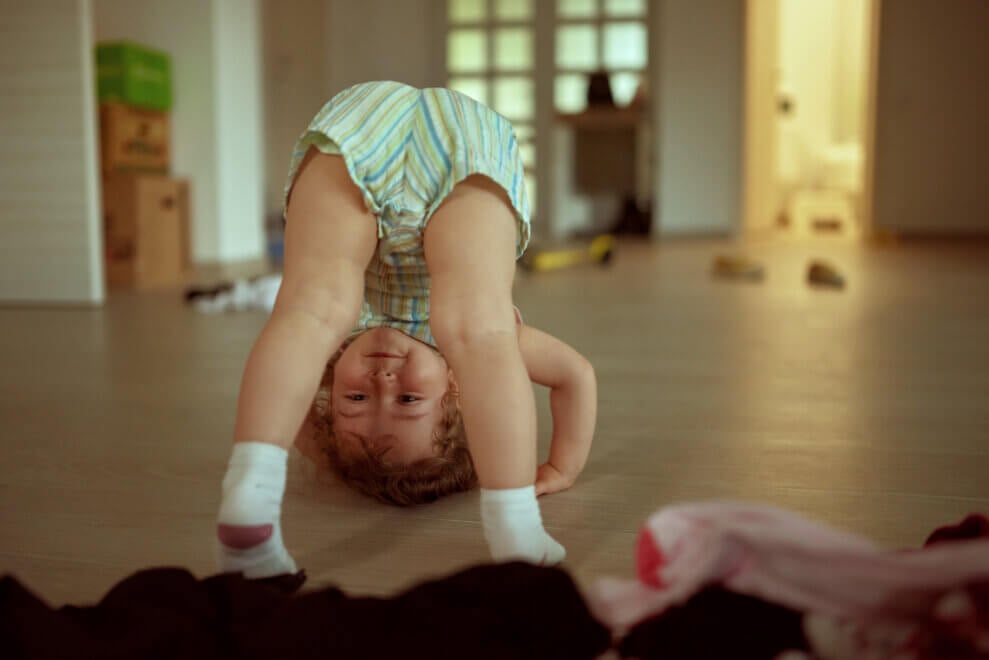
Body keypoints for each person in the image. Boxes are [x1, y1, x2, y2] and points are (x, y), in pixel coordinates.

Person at [214, 81, 597, 579]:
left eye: (353, 400)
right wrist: (562, 466)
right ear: (460, 395)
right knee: (483, 333)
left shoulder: (335, 346)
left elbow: (309, 422)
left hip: (361, 131)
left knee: (309, 312)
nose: (381, 384)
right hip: (462, 149)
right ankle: (515, 526)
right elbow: (575, 375)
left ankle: (254, 489)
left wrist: (333, 459)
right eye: (409, 402)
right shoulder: (465, 360)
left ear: (327, 390)